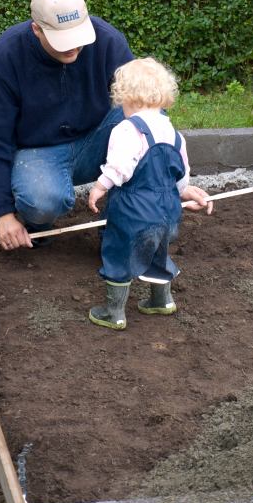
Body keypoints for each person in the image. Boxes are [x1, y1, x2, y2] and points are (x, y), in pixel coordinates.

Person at [0, 0, 134, 250]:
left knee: (137, 121)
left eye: (77, 38)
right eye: (62, 40)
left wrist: (175, 180)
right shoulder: (9, 54)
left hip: (97, 140)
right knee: (42, 202)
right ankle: (36, 225)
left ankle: (117, 232)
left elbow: (148, 107)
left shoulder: (107, 41)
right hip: (40, 151)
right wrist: (3, 213)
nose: (73, 48)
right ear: (36, 29)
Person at [88, 57, 213, 330]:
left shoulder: (127, 129)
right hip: (168, 210)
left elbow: (119, 168)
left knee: (120, 254)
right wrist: (183, 192)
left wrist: (99, 187)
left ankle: (114, 313)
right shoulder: (173, 132)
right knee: (158, 250)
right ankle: (162, 300)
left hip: (134, 208)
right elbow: (181, 171)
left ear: (126, 97)